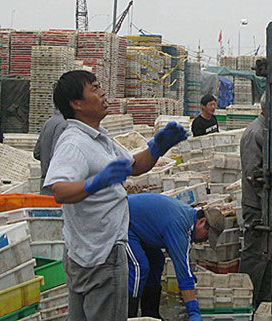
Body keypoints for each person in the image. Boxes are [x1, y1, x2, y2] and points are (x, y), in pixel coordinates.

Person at [43, 70, 187, 321]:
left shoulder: (100, 139)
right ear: (77, 104)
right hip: (98, 254)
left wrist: (157, 147)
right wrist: (94, 183)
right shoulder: (74, 143)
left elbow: (134, 166)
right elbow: (59, 190)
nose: (102, 93)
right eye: (95, 89)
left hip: (94, 251)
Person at [126, 194, 225, 319]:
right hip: (122, 221)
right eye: (206, 236)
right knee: (139, 268)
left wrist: (187, 270)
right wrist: (193, 310)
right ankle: (128, 315)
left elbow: (182, 257)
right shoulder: (179, 225)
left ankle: (151, 313)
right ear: (202, 221)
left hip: (140, 225)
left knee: (157, 261)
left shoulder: (188, 219)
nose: (203, 241)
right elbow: (182, 274)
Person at [238, 95, 272, 308]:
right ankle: (245, 301)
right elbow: (254, 175)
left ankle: (264, 303)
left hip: (267, 204)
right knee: (255, 254)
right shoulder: (255, 133)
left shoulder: (269, 130)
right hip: (257, 205)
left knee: (268, 255)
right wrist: (268, 204)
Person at [33, 109, 68, 195]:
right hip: (57, 183)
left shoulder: (48, 122)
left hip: (45, 180)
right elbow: (56, 155)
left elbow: (37, 153)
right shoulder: (64, 124)